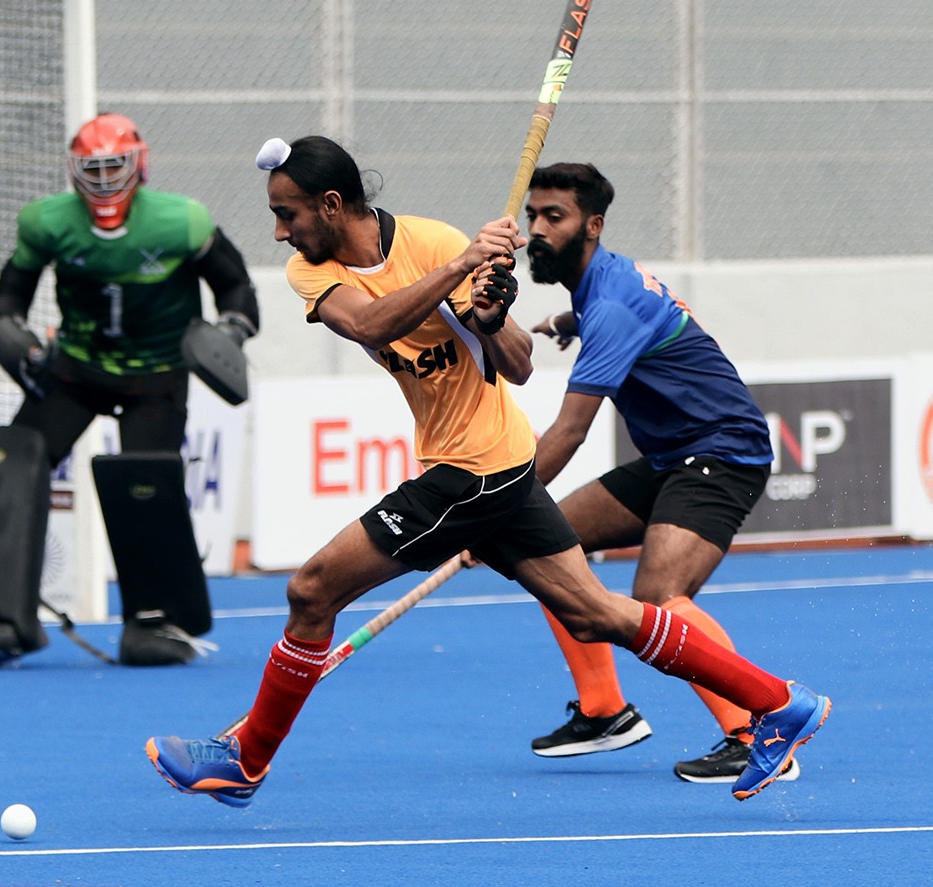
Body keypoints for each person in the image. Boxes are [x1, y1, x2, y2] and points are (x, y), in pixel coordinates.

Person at [145, 135, 828, 805]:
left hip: (474, 473)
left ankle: (246, 760)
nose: (277, 232)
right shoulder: (321, 272)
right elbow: (373, 324)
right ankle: (779, 704)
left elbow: (519, 364)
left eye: (286, 214)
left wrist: (492, 317)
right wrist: (457, 276)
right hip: (486, 471)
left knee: (312, 591)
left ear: (329, 205)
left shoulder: (434, 242)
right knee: (597, 614)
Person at [520, 162, 782, 783]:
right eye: (533, 215)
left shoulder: (609, 307)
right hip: (672, 456)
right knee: (549, 544)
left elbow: (569, 432)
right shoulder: (600, 288)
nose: (537, 229)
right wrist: (569, 320)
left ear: (593, 225)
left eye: (553, 217)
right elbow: (628, 314)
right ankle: (604, 712)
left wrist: (497, 508)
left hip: (723, 451)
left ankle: (757, 731)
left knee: (659, 598)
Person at [0, 112, 260, 666]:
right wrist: (11, 335)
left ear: (139, 164)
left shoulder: (182, 221)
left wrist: (228, 331)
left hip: (154, 375)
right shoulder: (46, 223)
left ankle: (153, 623)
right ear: (73, 171)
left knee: (145, 486)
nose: (105, 180)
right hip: (75, 369)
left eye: (115, 166)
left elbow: (236, 287)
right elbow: (9, 297)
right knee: (11, 466)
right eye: (93, 168)